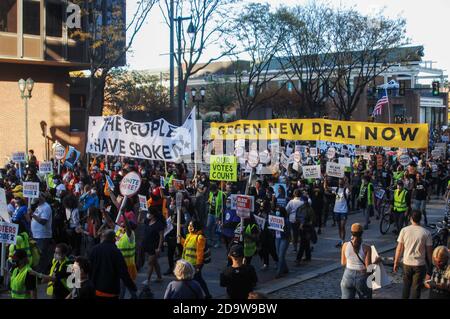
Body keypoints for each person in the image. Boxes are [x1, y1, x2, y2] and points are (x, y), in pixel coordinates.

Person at [394, 210, 433, 299]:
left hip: (407, 263)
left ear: (410, 218)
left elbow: (399, 248)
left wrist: (396, 262)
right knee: (416, 288)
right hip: (420, 264)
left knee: (406, 287)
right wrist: (430, 266)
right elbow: (429, 252)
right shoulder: (426, 233)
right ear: (421, 219)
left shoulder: (404, 230)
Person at [89, 229, 138, 299]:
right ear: (114, 239)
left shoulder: (94, 250)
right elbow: (124, 273)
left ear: (103, 237)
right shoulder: (116, 252)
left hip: (96, 289)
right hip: (111, 291)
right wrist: (132, 286)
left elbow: (89, 268)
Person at [340, 223, 378, 299]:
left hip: (347, 275)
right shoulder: (367, 248)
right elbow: (368, 268)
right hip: (362, 277)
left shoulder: (345, 245)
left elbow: (343, 263)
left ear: (351, 232)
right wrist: (376, 261)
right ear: (362, 233)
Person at [180, 220, 212, 299]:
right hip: (188, 262)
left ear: (196, 227)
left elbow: (199, 253)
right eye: (189, 225)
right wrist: (180, 239)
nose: (189, 227)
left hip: (195, 264)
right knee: (197, 280)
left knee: (195, 280)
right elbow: (186, 245)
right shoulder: (189, 235)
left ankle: (202, 295)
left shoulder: (200, 237)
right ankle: (206, 295)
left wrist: (198, 266)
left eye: (191, 226)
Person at [29, 193, 53, 274]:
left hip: (42, 236)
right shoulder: (39, 207)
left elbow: (43, 221)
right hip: (36, 235)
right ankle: (39, 272)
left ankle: (41, 273)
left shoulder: (46, 207)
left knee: (41, 255)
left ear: (42, 197)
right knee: (37, 255)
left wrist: (32, 215)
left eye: (37, 197)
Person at [142, 207, 165, 284]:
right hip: (147, 245)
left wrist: (159, 248)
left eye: (149, 213)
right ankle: (159, 277)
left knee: (150, 263)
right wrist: (139, 212)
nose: (148, 214)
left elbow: (161, 236)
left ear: (153, 215)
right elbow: (139, 221)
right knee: (154, 262)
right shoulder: (147, 221)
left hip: (154, 247)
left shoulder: (159, 224)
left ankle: (147, 280)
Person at [333, 179, 351, 248]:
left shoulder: (345, 190)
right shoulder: (336, 189)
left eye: (341, 183)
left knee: (342, 226)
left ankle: (343, 241)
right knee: (339, 227)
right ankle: (341, 241)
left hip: (343, 211)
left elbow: (350, 190)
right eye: (339, 183)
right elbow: (326, 188)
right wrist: (325, 179)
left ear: (343, 183)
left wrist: (347, 183)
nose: (339, 184)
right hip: (336, 211)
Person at [273, 207, 290, 278]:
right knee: (279, 254)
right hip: (277, 238)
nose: (277, 212)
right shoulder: (274, 219)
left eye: (278, 211)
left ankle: (279, 272)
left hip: (284, 239)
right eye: (276, 211)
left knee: (281, 255)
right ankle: (285, 268)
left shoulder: (286, 220)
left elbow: (288, 231)